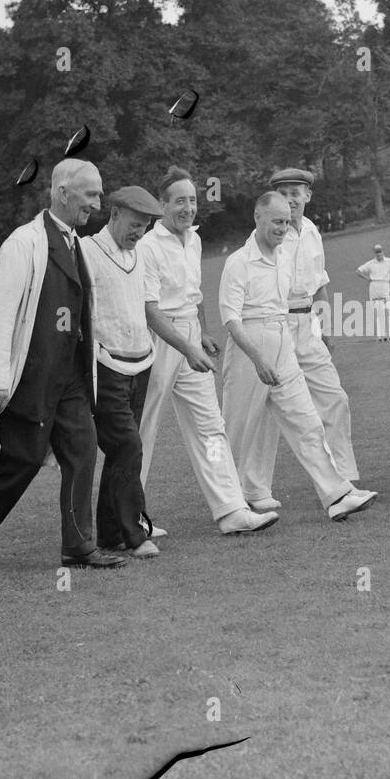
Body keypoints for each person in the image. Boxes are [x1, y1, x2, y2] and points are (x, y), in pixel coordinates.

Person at [0, 159, 126, 569]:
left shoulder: (76, 242)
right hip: (30, 375)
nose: (97, 202)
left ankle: (78, 547)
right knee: (25, 456)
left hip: (71, 376)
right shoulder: (23, 244)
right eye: (90, 194)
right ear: (62, 192)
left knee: (81, 451)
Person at [136, 167, 278, 536]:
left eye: (193, 200)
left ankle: (231, 509)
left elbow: (194, 295)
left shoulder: (194, 240)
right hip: (158, 342)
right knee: (143, 428)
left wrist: (202, 334)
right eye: (179, 200)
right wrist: (186, 345)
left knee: (210, 428)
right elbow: (151, 310)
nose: (188, 208)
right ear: (162, 205)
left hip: (189, 339)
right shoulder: (148, 247)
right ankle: (130, 515)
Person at [219, 192, 377, 521]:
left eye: (287, 222)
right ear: (257, 217)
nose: (283, 227)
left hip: (282, 342)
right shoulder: (238, 262)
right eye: (277, 221)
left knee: (307, 421)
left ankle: (337, 494)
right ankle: (229, 504)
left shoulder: (282, 258)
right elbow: (231, 320)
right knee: (237, 428)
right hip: (250, 348)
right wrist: (258, 360)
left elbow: (288, 305)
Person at [253, 168, 359, 484]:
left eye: (295, 193)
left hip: (308, 325)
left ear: (307, 196)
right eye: (283, 194)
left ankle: (344, 476)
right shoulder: (266, 234)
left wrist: (326, 328)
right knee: (267, 409)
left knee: (335, 398)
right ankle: (254, 487)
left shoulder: (312, 231)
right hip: (275, 324)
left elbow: (320, 284)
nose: (289, 199)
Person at [78, 185, 168, 559]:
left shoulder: (140, 255)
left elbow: (145, 306)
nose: (139, 233)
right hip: (104, 367)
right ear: (113, 214)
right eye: (134, 224)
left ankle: (110, 534)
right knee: (128, 445)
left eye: (145, 227)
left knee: (120, 453)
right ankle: (135, 535)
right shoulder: (86, 251)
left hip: (141, 364)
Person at [356, 244, 390, 341]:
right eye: (377, 252)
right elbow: (358, 271)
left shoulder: (389, 261)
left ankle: (389, 334)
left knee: (388, 310)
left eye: (380, 252)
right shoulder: (371, 263)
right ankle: (380, 336)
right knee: (378, 311)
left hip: (385, 285)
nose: (379, 254)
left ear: (383, 252)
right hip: (374, 286)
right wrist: (367, 278)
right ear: (375, 253)